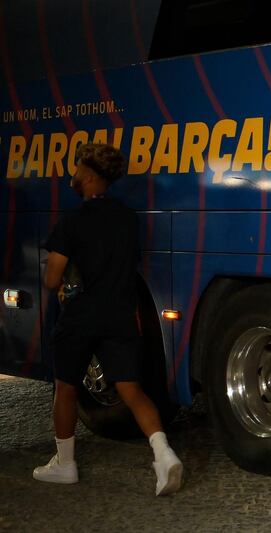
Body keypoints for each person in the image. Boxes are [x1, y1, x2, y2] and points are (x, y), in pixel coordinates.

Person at [34, 143, 183, 496]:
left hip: (80, 318)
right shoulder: (127, 218)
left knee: (66, 388)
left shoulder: (71, 222)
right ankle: (164, 455)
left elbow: (52, 279)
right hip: (120, 316)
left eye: (75, 170)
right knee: (132, 390)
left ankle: (65, 464)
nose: (72, 176)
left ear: (86, 176)